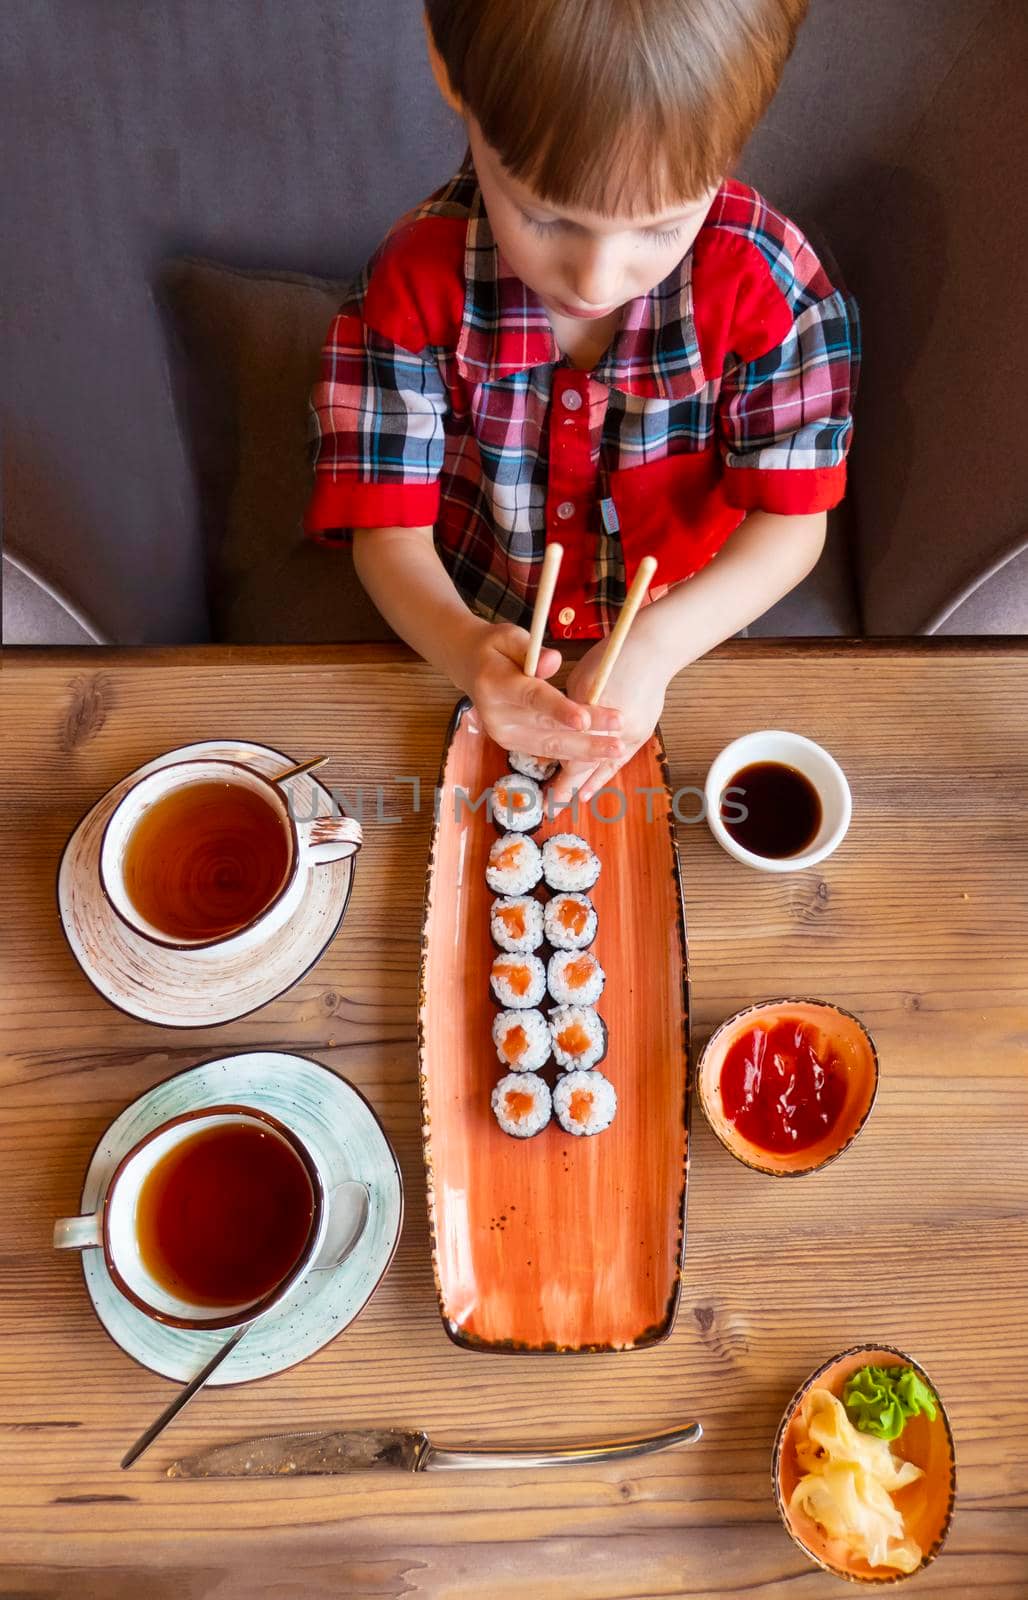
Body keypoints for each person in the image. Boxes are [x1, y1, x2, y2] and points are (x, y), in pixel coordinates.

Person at [305, 0, 858, 805]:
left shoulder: (771, 287)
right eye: (545, 214)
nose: (597, 280)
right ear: (446, 66)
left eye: (662, 227)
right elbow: (387, 535)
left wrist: (660, 647)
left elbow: (794, 525)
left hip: (691, 618)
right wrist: (464, 652)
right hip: (467, 597)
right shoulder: (412, 284)